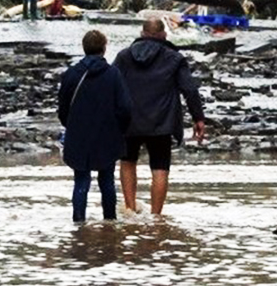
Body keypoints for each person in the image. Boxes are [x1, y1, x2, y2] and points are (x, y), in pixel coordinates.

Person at [113, 18, 207, 215]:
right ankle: (156, 216)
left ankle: (130, 209)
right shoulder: (174, 58)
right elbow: (190, 89)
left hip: (130, 121)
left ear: (142, 33)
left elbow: (111, 86)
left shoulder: (123, 57)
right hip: (161, 122)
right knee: (160, 168)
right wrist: (198, 118)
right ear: (164, 35)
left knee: (128, 163)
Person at [58, 30, 133, 224]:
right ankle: (110, 222)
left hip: (79, 135)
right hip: (107, 134)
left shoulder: (71, 74)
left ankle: (79, 224)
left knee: (81, 181)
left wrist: (71, 125)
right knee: (107, 181)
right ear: (104, 48)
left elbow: (63, 107)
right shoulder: (113, 74)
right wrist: (119, 129)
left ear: (84, 48)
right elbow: (125, 107)